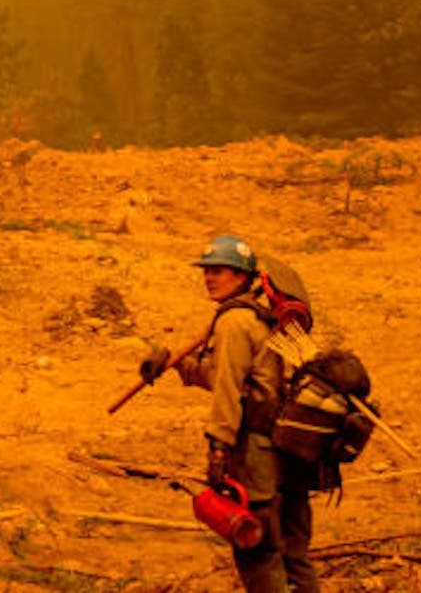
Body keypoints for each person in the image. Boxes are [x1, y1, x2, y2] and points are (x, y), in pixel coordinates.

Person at [139, 234, 319, 593]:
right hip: (291, 448)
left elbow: (228, 392)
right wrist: (178, 364)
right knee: (295, 553)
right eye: (207, 271)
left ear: (241, 276)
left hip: (256, 453)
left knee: (258, 550)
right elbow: (227, 375)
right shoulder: (264, 317)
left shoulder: (234, 322)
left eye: (219, 271)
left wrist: (218, 448)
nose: (209, 278)